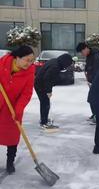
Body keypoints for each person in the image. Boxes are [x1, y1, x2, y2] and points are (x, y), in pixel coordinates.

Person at [0, 45, 35, 174]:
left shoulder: (30, 72)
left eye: (31, 60)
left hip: (13, 108)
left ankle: (10, 163)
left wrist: (18, 109)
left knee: (12, 137)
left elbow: (26, 93)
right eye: (27, 60)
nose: (29, 63)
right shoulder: (2, 64)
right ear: (17, 58)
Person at [34, 52, 73, 131]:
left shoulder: (55, 61)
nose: (66, 67)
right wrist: (48, 91)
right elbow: (47, 79)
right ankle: (44, 122)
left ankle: (44, 119)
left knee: (45, 103)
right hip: (41, 85)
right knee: (45, 103)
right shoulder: (55, 66)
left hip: (40, 83)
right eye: (67, 64)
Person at [76, 41, 99, 124]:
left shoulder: (96, 57)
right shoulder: (89, 56)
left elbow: (98, 72)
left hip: (98, 83)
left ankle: (98, 116)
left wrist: (94, 83)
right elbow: (89, 68)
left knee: (95, 100)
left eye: (82, 52)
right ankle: (95, 114)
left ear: (86, 48)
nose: (82, 54)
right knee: (92, 100)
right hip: (92, 83)